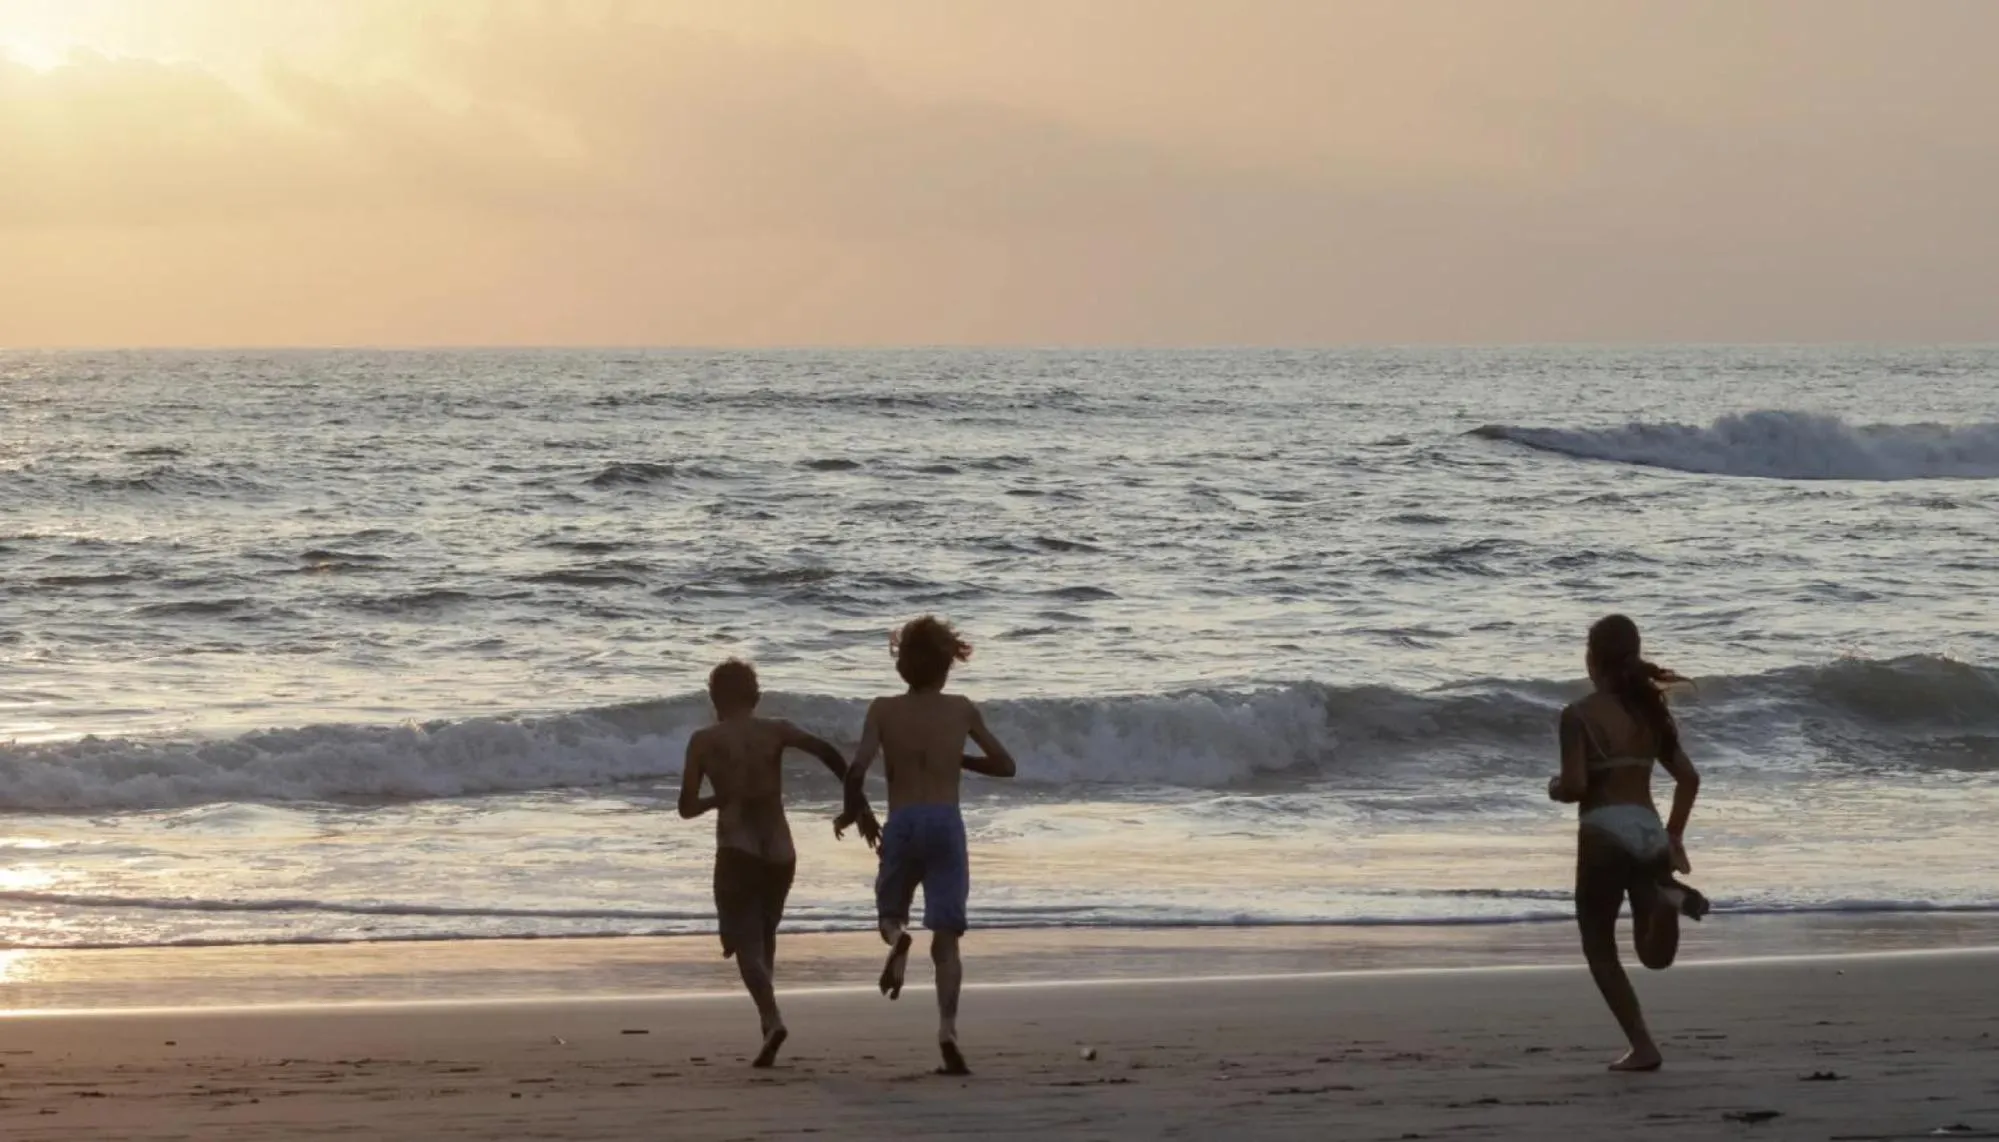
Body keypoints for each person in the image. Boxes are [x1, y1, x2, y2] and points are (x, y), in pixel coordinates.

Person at [679, 658, 881, 1067]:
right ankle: (766, 1024)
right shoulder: (777, 730)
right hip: (781, 850)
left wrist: (719, 798)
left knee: (744, 944)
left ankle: (771, 1018)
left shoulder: (704, 741)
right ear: (756, 696)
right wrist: (858, 807)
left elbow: (685, 807)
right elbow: (830, 754)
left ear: (714, 698)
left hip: (736, 847)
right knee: (765, 935)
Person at [844, 616, 1017, 1075]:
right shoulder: (961, 709)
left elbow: (856, 769)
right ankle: (947, 1030)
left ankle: (899, 941)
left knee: (888, 915)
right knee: (948, 938)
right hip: (945, 822)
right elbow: (1006, 766)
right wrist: (957, 758)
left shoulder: (882, 709)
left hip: (902, 822)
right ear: (948, 665)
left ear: (901, 666)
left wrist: (855, 812)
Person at [1547, 614, 1710, 1072]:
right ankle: (1664, 901)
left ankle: (1643, 1046)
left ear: (1590, 659)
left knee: (1599, 945)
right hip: (1647, 828)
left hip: (1603, 832)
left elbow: (1578, 785)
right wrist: (1674, 834)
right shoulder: (1650, 712)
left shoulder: (1578, 715)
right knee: (1653, 955)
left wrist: (1555, 786)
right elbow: (1689, 779)